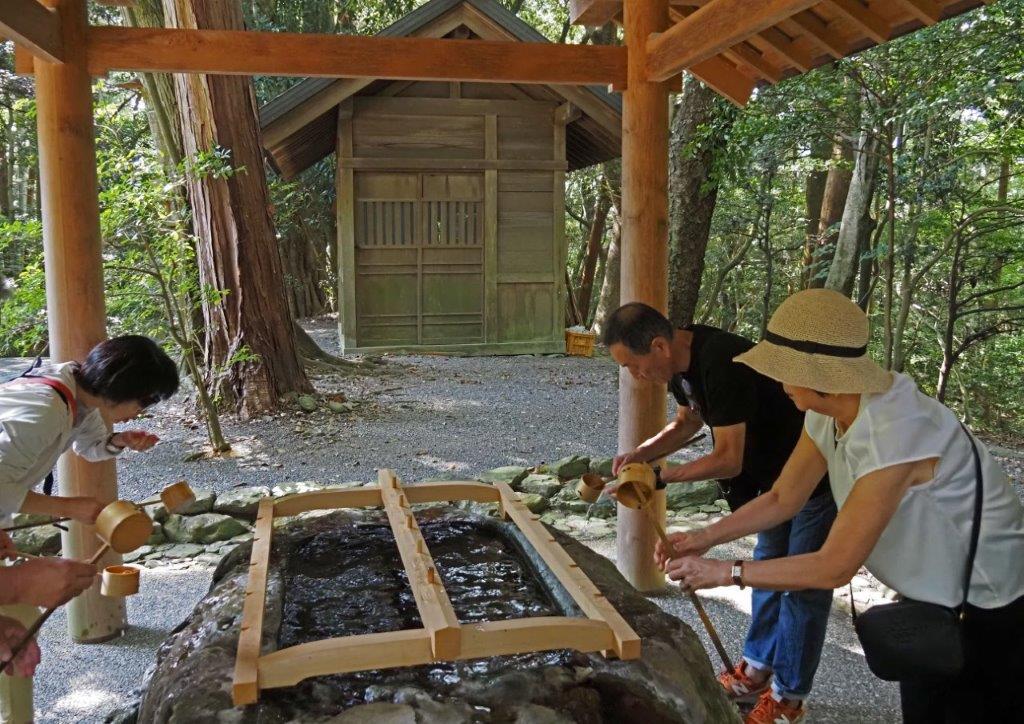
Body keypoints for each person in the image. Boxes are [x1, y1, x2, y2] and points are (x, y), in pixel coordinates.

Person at [660, 289, 1024, 723]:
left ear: (819, 375)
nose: (778, 383)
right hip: (935, 590)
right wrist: (700, 540)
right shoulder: (827, 411)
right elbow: (783, 498)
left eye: (784, 371)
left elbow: (834, 566)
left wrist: (725, 572)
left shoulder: (895, 432)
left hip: (991, 598)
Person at [603, 303, 836, 724]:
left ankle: (789, 698)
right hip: (772, 488)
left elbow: (728, 459)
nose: (635, 376)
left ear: (658, 345)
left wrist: (662, 476)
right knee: (766, 569)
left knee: (801, 586)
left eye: (633, 366)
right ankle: (756, 672)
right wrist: (640, 453)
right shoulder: (679, 363)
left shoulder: (722, 361)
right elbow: (688, 422)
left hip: (812, 482)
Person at [0, 335, 178, 722]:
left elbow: (87, 444)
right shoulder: (45, 409)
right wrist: (67, 507)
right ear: (124, 389)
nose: (142, 410)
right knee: (19, 617)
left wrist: (118, 441)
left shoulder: (76, 391)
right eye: (145, 400)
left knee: (15, 625)